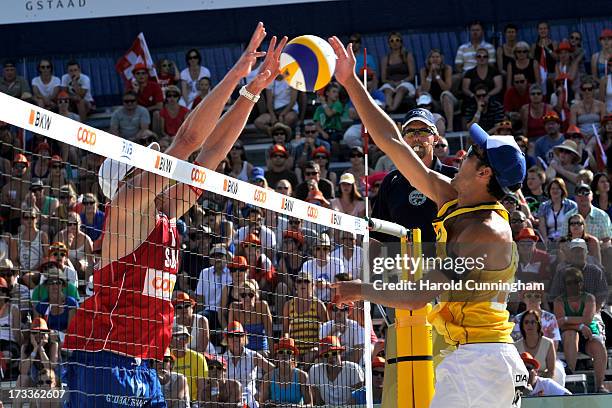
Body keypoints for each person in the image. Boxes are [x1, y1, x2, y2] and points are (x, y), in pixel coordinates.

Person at [62, 23, 288, 407]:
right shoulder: (126, 207)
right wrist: (236, 73)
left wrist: (253, 91)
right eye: (147, 160)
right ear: (130, 177)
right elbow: (185, 141)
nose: (156, 160)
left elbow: (211, 156)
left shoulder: (163, 211)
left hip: (143, 363)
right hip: (104, 359)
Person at [328, 35, 528, 407]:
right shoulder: (454, 197)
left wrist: (362, 290)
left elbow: (418, 297)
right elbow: (391, 142)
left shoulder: (484, 233)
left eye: (473, 153)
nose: (463, 153)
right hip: (473, 356)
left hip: (482, 362)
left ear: (484, 173)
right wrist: (350, 82)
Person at [370, 108, 457, 257]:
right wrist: (369, 275)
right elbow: (377, 237)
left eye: (423, 131)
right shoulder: (390, 181)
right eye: (410, 132)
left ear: (435, 138)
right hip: (398, 273)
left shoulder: (454, 177)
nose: (416, 138)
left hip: (443, 271)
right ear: (403, 139)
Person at [553, 267, 608, 393]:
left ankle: (600, 386)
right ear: (565, 285)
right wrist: (580, 326)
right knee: (571, 335)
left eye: (576, 281)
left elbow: (587, 320)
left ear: (581, 283)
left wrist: (567, 319)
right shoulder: (559, 301)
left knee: (599, 346)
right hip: (568, 337)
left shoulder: (589, 298)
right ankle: (572, 379)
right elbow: (559, 323)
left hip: (589, 335)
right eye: (569, 282)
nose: (573, 285)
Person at [223, 321, 275, 408]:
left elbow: (274, 371)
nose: (235, 338)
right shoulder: (222, 360)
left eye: (238, 335)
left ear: (244, 338)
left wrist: (263, 388)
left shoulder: (253, 356)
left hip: (250, 403)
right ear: (227, 339)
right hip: (230, 403)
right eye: (231, 335)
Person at [308, 335, 364, 406]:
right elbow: (318, 402)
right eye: (326, 355)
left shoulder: (354, 368)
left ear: (340, 352)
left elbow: (359, 399)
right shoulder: (315, 370)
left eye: (334, 353)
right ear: (322, 357)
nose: (330, 357)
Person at [259, 336, 312, 406]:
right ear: (277, 355)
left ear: (293, 356)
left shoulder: (302, 376)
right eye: (281, 352)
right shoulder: (268, 377)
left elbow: (310, 404)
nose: (284, 354)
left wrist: (295, 407)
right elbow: (262, 404)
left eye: (288, 352)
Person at [227, 280, 273, 356]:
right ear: (239, 297)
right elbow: (230, 335)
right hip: (243, 352)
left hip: (261, 350)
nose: (247, 298)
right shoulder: (234, 308)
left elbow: (269, 333)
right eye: (243, 295)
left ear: (256, 296)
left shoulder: (262, 306)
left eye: (251, 295)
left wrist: (273, 356)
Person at [379, 32, 416, 112]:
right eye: (392, 41)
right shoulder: (385, 58)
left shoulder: (407, 55)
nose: (394, 42)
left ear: (401, 42)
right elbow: (383, 78)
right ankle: (388, 107)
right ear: (389, 44)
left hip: (405, 82)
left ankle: (392, 109)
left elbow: (412, 75)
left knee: (401, 89)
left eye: (397, 40)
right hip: (390, 83)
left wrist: (401, 82)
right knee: (387, 90)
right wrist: (391, 82)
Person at [513, 311, 556, 380]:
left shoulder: (548, 343)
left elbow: (551, 372)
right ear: (522, 326)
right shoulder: (515, 346)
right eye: (526, 322)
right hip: (523, 384)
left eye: (533, 322)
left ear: (538, 325)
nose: (529, 325)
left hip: (543, 384)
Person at [536, 178, 577, 244]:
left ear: (562, 190)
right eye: (553, 188)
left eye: (558, 188)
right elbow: (542, 226)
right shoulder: (543, 206)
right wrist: (545, 239)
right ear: (549, 190)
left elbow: (575, 225)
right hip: (550, 240)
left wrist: (565, 239)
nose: (555, 191)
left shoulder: (571, 206)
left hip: (567, 240)